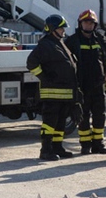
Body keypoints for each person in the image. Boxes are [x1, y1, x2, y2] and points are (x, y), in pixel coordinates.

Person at [27, 14, 79, 161]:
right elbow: (31, 63)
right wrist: (44, 78)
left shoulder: (59, 43)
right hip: (52, 93)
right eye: (61, 28)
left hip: (64, 93)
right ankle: (46, 149)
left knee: (60, 122)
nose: (63, 31)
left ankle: (57, 147)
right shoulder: (45, 44)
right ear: (52, 29)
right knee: (50, 123)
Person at [65, 9, 106, 155]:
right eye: (86, 22)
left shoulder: (101, 39)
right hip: (81, 85)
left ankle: (98, 144)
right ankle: (85, 144)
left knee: (100, 115)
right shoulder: (72, 41)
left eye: (91, 23)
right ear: (80, 24)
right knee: (83, 115)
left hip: (98, 85)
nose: (88, 25)